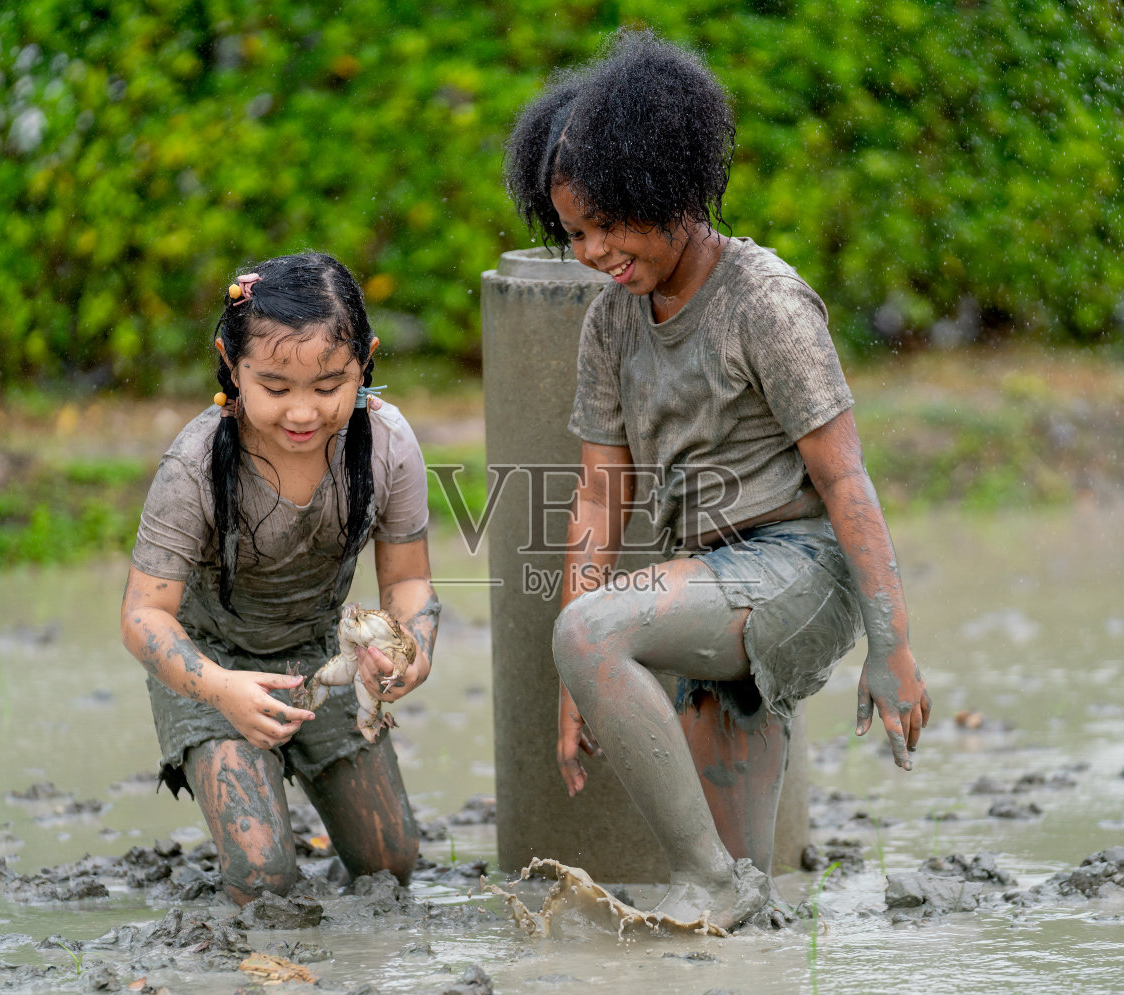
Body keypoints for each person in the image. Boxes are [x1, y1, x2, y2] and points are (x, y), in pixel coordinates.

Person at [504, 32, 931, 929]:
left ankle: (701, 878)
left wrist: (891, 647)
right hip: (711, 579)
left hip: (799, 570)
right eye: (574, 233)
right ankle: (729, 910)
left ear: (668, 187)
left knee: (592, 636)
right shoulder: (611, 323)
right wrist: (578, 677)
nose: (592, 251)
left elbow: (847, 481)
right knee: (739, 895)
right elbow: (599, 494)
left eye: (607, 223)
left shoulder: (764, 302)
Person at [120, 251, 439, 904]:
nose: (302, 413)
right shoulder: (194, 465)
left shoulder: (386, 443)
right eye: (275, 387)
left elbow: (409, 581)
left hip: (320, 655)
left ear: (366, 361)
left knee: (391, 860)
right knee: (264, 873)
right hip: (212, 665)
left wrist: (414, 648)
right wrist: (221, 688)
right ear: (230, 366)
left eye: (328, 387)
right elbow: (143, 615)